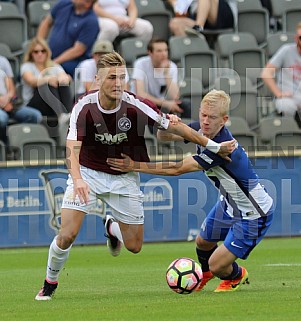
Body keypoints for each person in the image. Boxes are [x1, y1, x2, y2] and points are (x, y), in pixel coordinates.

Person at [34, 52, 237, 300]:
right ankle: (49, 283)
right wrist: (77, 180)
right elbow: (71, 150)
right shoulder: (83, 107)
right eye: (111, 78)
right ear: (97, 79)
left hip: (125, 176)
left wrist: (213, 146)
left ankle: (112, 227)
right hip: (87, 173)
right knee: (67, 234)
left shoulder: (135, 105)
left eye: (122, 77)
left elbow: (174, 127)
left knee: (134, 246)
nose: (118, 83)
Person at [107, 89, 274, 293]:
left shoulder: (223, 148)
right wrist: (169, 121)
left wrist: (134, 165)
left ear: (224, 120)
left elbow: (177, 169)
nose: (205, 121)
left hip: (253, 213)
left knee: (217, 264)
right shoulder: (201, 129)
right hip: (229, 203)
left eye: (211, 118)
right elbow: (163, 136)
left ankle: (236, 276)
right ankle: (204, 276)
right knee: (202, 242)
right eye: (203, 115)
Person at [37, 0, 99, 77]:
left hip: (71, 62)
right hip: (49, 56)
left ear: (88, 3)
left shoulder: (91, 21)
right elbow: (46, 22)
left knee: (57, 73)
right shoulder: (64, 4)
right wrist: (39, 46)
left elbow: (78, 50)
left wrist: (52, 63)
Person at [132, 38, 190, 117]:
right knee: (152, 110)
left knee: (187, 104)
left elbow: (175, 96)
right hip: (143, 102)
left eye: (166, 50)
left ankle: (187, 128)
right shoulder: (140, 64)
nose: (164, 54)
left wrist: (166, 74)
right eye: (159, 51)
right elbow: (140, 94)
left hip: (161, 102)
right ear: (150, 53)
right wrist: (165, 104)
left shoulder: (172, 66)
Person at [21, 37, 73, 125]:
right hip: (34, 103)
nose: (40, 54)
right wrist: (48, 79)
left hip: (52, 103)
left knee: (63, 83)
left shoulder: (54, 65)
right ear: (31, 54)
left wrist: (63, 79)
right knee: (46, 85)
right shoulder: (27, 66)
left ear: (47, 52)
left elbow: (65, 77)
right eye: (36, 52)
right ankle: (61, 115)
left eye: (43, 51)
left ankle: (68, 114)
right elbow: (31, 81)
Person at [261, 22, 301, 127]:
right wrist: (278, 93)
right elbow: (266, 73)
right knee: (286, 106)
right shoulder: (287, 50)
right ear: (296, 38)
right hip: (288, 97)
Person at [0, 55, 42, 147]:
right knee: (1, 119)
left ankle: (16, 139)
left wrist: (7, 100)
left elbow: (11, 89)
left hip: (8, 103)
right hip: (2, 105)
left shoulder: (3, 61)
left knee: (35, 116)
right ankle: (5, 146)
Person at [168, 0, 238, 36]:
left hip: (223, 14)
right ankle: (196, 49)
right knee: (175, 24)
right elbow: (179, 5)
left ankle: (198, 27)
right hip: (198, 14)